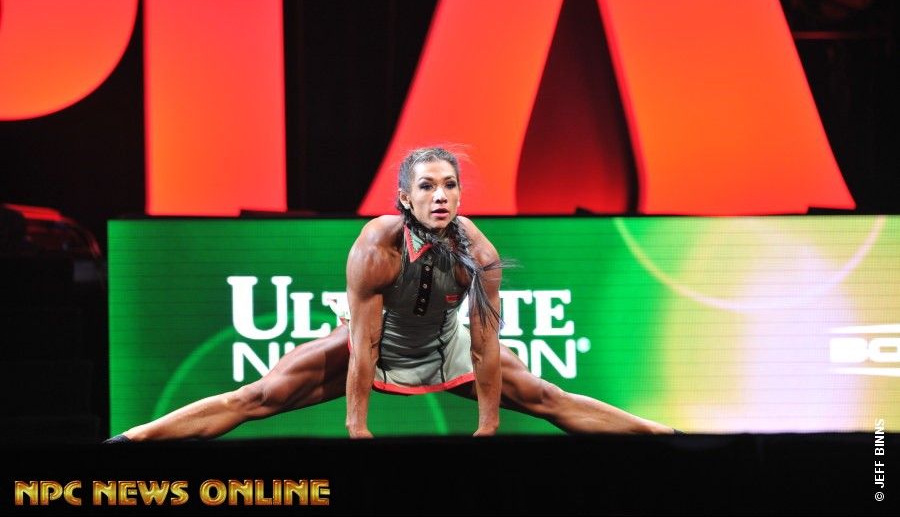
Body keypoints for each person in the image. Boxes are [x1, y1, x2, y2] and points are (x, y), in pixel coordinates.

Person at [107, 147, 675, 441]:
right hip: (375, 347)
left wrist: (488, 426)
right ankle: (131, 442)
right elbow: (365, 346)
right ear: (405, 198)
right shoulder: (375, 248)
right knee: (259, 396)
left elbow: (484, 346)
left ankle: (663, 438)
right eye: (426, 186)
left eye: (449, 185)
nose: (440, 195)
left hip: (447, 346)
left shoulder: (480, 255)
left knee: (548, 396)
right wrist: (357, 427)